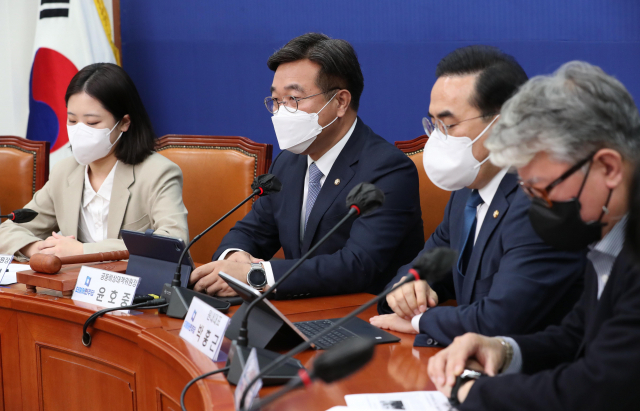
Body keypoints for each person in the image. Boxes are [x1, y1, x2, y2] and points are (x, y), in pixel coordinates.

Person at [428, 61, 640, 410]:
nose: (536, 207)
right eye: (526, 189)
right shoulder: (604, 230)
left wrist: (470, 394)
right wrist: (502, 349)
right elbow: (575, 335)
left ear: (608, 167)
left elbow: (598, 387)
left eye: (543, 189)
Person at [371, 46, 587, 347]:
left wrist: (420, 321)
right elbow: (418, 269)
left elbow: (500, 320)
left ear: (501, 126)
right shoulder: (465, 195)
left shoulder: (540, 203)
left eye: (448, 124)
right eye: (433, 124)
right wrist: (408, 289)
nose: (437, 137)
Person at [189, 33, 424, 299]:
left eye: (294, 99)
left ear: (340, 102)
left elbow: (358, 265)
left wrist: (257, 276)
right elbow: (250, 231)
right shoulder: (288, 162)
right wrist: (235, 257)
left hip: (360, 317)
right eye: (276, 101)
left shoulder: (387, 169)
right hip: (296, 311)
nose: (281, 112)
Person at [0, 63, 189, 259]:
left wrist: (82, 252)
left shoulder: (158, 172)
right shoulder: (64, 172)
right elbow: (8, 230)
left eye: (92, 123)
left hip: (135, 286)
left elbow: (173, 241)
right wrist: (37, 248)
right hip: (72, 286)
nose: (80, 131)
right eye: (72, 121)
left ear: (124, 122)